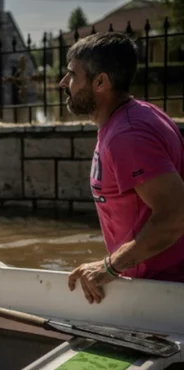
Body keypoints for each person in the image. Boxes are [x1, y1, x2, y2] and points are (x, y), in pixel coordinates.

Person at [59, 32, 184, 304]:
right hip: (151, 286)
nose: (63, 83)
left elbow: (175, 215)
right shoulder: (135, 116)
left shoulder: (128, 135)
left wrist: (108, 267)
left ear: (101, 81)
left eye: (72, 75)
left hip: (162, 295)